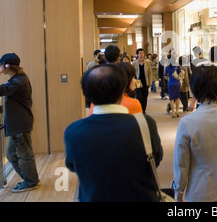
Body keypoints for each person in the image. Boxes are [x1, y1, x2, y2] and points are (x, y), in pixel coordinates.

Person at [64, 64, 163, 202]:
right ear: (122, 89)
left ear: (86, 93)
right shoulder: (145, 124)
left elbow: (73, 166)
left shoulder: (73, 132)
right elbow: (156, 159)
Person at [173, 65, 217, 202]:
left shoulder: (187, 123)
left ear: (195, 89)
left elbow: (181, 163)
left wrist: (178, 190)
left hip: (200, 190)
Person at [0, 53, 40, 192]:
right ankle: (30, 179)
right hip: (18, 123)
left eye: (1, 65)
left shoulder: (18, 81)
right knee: (12, 154)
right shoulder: (17, 79)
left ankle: (31, 181)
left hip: (19, 123)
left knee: (25, 153)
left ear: (7, 66)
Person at [132, 48, 152, 114]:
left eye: (142, 53)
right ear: (137, 54)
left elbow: (150, 73)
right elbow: (132, 74)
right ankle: (139, 110)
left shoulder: (147, 63)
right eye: (140, 53)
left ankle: (143, 110)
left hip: (145, 82)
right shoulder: (134, 63)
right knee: (138, 97)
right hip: (137, 83)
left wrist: (150, 82)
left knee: (145, 97)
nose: (141, 55)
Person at [165, 51, 182, 118]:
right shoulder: (177, 66)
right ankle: (177, 111)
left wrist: (169, 77)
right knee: (177, 98)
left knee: (171, 99)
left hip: (170, 83)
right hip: (177, 83)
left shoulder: (167, 67)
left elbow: (165, 76)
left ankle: (173, 112)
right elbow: (180, 74)